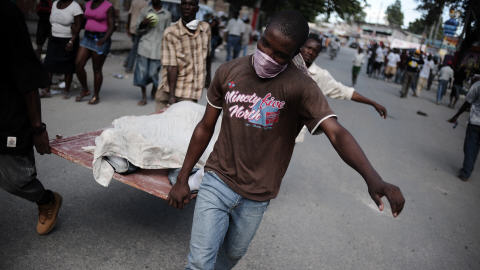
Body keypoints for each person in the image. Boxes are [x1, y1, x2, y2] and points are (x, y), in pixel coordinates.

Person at [168, 10, 404, 269]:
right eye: (265, 44)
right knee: (200, 263)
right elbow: (205, 127)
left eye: (279, 54)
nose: (267, 55)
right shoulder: (228, 71)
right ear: (261, 34)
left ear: (295, 54)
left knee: (233, 254)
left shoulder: (302, 87)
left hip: (257, 196)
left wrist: (373, 178)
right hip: (217, 180)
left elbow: (336, 132)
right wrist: (183, 179)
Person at [1, 1, 62, 235]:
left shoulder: (6, 12)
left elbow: (26, 70)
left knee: (16, 178)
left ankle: (46, 199)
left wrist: (38, 129)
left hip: (7, 112)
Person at [301, 35, 386, 117]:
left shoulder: (320, 75)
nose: (310, 52)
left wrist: (372, 103)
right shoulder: (288, 63)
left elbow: (346, 92)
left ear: (318, 55)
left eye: (315, 51)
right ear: (300, 47)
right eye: (308, 48)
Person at [155, 0, 211, 112]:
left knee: (184, 127)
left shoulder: (205, 29)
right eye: (184, 4)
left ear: (197, 8)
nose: (187, 7)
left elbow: (207, 56)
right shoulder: (171, 32)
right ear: (180, 7)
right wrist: (171, 97)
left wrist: (208, 78)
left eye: (191, 4)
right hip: (170, 92)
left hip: (190, 92)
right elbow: (171, 66)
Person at [41, 0, 83, 99]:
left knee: (67, 66)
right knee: (49, 64)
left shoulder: (75, 7)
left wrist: (71, 41)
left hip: (67, 41)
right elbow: (52, 22)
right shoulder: (55, 4)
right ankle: (47, 90)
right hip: (54, 39)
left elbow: (78, 26)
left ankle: (66, 90)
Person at [75, 0, 115, 105]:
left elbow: (112, 26)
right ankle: (85, 89)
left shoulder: (108, 6)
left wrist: (104, 39)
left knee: (96, 68)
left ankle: (96, 95)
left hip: (101, 39)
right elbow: (84, 20)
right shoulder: (88, 4)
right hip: (87, 37)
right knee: (78, 64)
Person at [133, 0, 171, 106]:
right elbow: (137, 30)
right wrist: (143, 24)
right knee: (142, 73)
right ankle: (143, 96)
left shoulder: (167, 14)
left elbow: (168, 33)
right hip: (144, 46)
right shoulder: (145, 11)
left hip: (158, 48)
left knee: (153, 73)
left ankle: (154, 88)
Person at [448, 74, 480, 181]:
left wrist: (456, 115)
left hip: (475, 122)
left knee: (470, 147)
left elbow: (467, 102)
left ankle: (466, 172)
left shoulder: (477, 85)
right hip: (475, 122)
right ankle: (468, 168)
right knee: (475, 148)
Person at [124, 0, 148, 73]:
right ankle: (129, 66)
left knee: (134, 46)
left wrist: (127, 27)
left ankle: (127, 62)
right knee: (135, 48)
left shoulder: (134, 1)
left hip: (132, 26)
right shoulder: (146, 4)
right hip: (139, 28)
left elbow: (129, 14)